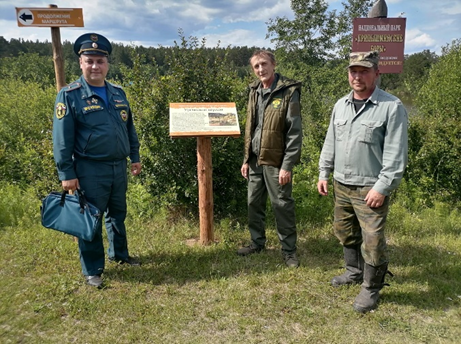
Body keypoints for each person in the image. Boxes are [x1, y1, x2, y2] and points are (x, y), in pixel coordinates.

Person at [317, 51, 408, 313]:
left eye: (364, 71)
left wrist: (382, 187)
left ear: (377, 73)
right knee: (344, 231)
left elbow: (395, 152)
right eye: (353, 71)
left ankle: (371, 288)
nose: (357, 76)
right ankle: (353, 271)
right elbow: (330, 142)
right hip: (341, 184)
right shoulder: (340, 105)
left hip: (370, 187)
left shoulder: (391, 107)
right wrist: (324, 173)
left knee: (373, 241)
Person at [52, 33, 142, 288]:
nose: (95, 66)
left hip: (118, 167)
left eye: (100, 61)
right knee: (90, 219)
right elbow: (61, 140)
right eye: (89, 60)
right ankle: (93, 269)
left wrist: (134, 156)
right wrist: (66, 173)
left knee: (118, 214)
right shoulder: (70, 95)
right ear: (81, 62)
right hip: (89, 169)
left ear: (107, 64)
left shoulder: (117, 93)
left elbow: (129, 128)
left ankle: (120, 255)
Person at [238, 50, 302, 268]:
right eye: (256, 66)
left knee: (281, 204)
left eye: (264, 64)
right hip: (255, 159)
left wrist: (287, 165)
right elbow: (251, 127)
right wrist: (246, 159)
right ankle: (257, 243)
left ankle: (289, 251)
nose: (260, 70)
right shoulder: (254, 91)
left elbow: (294, 131)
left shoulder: (288, 91)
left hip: (277, 161)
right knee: (253, 203)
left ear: (274, 65)